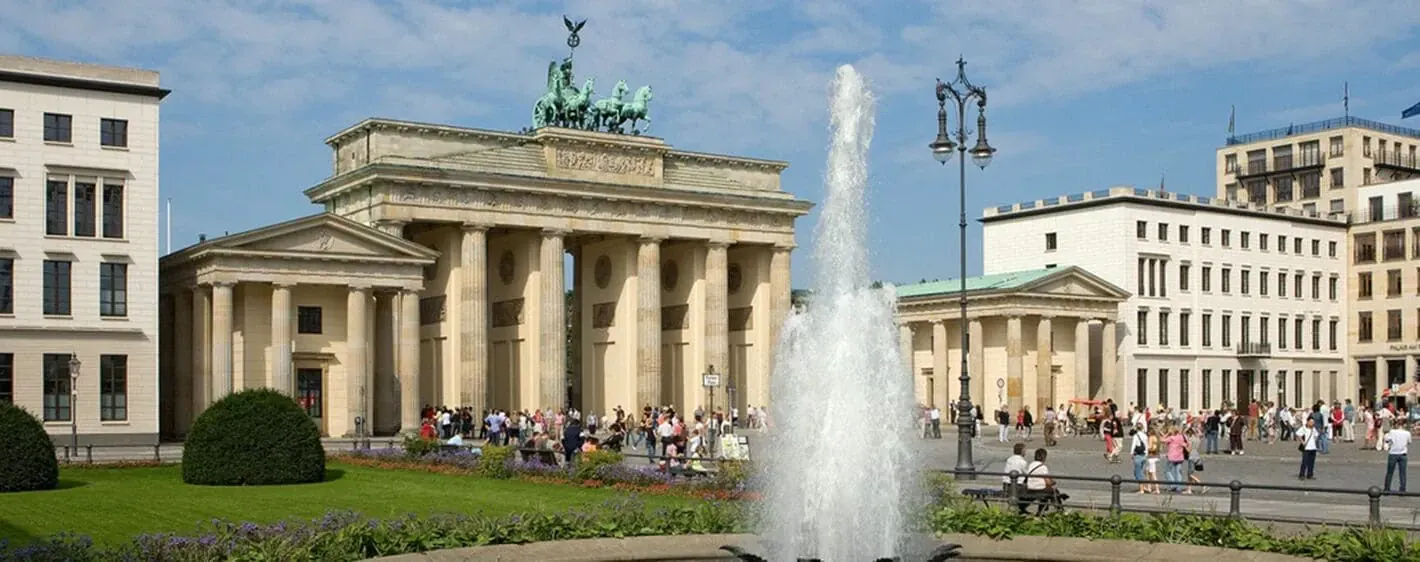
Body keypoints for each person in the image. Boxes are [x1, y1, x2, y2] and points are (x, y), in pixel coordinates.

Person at [1021, 448, 1061, 515]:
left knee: (1047, 492)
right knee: (1054, 491)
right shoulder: (1043, 467)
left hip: (1030, 488)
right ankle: (1059, 509)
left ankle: (1042, 509)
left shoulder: (1031, 464)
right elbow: (1048, 481)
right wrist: (1053, 482)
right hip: (1039, 489)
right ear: (1044, 457)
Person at [1385, 419, 1412, 493]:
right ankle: (1402, 489)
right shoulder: (1407, 433)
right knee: (1402, 473)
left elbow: (1387, 440)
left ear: (1396, 425)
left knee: (1390, 472)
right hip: (1403, 454)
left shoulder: (1392, 432)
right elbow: (1409, 442)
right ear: (1404, 425)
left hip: (1393, 453)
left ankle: (1387, 488)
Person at [1130, 425, 1149, 493]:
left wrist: (1131, 453)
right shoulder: (1145, 436)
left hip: (1138, 455)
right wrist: (1146, 454)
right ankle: (1144, 487)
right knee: (1141, 471)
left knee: (1137, 472)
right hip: (1144, 455)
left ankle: (1142, 489)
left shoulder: (1136, 436)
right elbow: (1147, 445)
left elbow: (1133, 445)